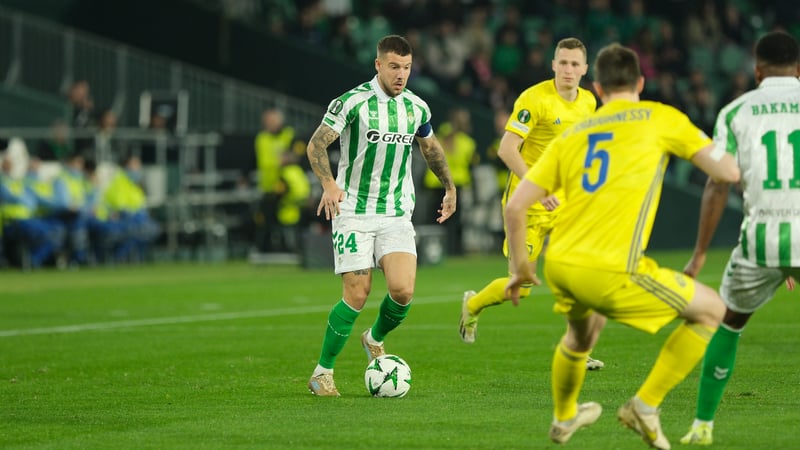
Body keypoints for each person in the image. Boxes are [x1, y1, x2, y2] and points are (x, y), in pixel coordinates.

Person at [504, 43, 740, 448]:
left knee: (581, 337)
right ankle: (644, 406)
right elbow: (729, 171)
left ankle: (564, 416)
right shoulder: (661, 117)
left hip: (561, 265)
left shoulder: (574, 133)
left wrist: (520, 269)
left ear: (597, 86)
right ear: (641, 83)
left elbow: (515, 206)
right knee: (713, 312)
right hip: (611, 268)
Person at [305, 34, 456, 397]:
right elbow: (316, 144)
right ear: (378, 65)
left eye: (406, 67)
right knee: (358, 293)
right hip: (354, 211)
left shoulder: (417, 107)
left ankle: (374, 338)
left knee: (403, 291)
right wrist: (329, 185)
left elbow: (430, 148)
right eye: (393, 67)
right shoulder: (352, 102)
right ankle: (322, 372)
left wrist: (450, 187)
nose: (401, 74)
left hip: (395, 212)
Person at [679, 30, 800, 446]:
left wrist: (699, 254)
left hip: (761, 241)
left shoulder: (735, 112)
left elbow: (718, 184)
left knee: (728, 324)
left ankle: (702, 425)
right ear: (798, 69)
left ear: (757, 70)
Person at [458, 37, 604, 370]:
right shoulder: (534, 99)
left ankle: (577, 350)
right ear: (553, 65)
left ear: (584, 69)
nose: (568, 69)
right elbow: (507, 149)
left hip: (565, 202)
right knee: (522, 286)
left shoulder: (588, 102)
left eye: (574, 64)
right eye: (562, 62)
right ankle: (473, 305)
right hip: (526, 204)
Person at [423, 107, 476, 256]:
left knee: (436, 219)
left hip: (435, 183)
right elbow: (470, 164)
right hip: (456, 183)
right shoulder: (468, 143)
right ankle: (455, 250)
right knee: (455, 220)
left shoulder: (438, 137)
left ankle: (434, 250)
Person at [253, 107, 295, 253]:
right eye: (266, 121)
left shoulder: (289, 135)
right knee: (264, 220)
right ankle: (263, 249)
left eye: (272, 121)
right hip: (267, 186)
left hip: (286, 185)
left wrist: (289, 157)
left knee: (287, 217)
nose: (268, 124)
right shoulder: (261, 138)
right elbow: (256, 159)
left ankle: (288, 248)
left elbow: (296, 153)